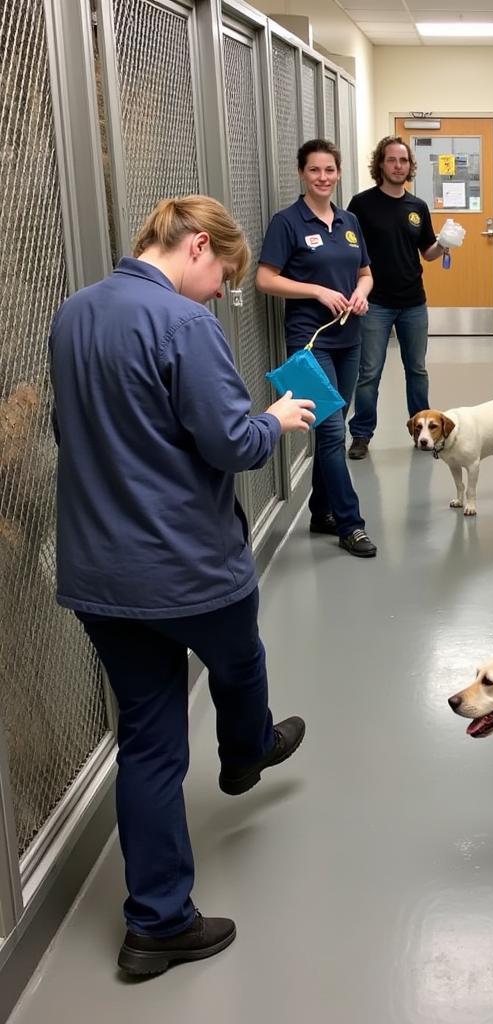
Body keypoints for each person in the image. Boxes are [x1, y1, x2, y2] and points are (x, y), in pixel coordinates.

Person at [48, 195, 314, 974]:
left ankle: (156, 925)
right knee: (241, 660)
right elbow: (233, 443)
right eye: (223, 278)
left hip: (98, 572)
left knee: (150, 744)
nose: (220, 294)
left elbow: (73, 429)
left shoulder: (73, 312)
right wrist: (278, 419)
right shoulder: (183, 324)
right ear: (199, 245)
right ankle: (248, 747)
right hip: (188, 568)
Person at [256, 138, 377, 555]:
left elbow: (365, 272)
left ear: (338, 173)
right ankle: (350, 524)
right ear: (302, 173)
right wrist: (316, 291)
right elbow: (265, 278)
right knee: (328, 431)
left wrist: (362, 292)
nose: (323, 177)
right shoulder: (287, 222)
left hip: (349, 339)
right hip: (310, 343)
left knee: (336, 427)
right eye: (314, 170)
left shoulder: (348, 221)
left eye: (330, 170)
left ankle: (320, 509)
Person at [345, 135, 464, 460]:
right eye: (391, 160)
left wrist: (445, 243)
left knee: (417, 370)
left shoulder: (417, 207)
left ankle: (423, 432)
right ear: (380, 165)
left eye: (403, 161)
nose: (398, 166)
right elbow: (350, 251)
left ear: (410, 166)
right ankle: (361, 434)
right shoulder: (361, 205)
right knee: (369, 372)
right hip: (375, 303)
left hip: (413, 301)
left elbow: (427, 253)